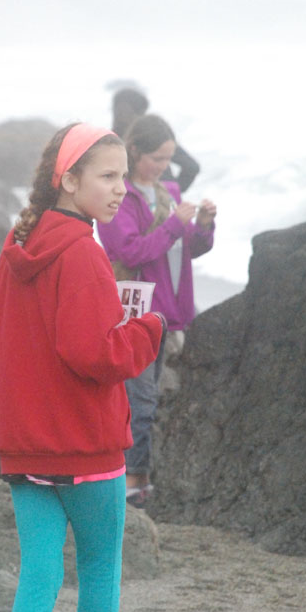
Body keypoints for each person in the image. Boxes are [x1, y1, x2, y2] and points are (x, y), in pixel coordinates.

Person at [0, 123, 165, 612]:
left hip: (24, 450)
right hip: (86, 447)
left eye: (123, 176)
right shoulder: (82, 252)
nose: (120, 188)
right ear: (69, 180)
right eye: (107, 176)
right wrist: (148, 328)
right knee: (101, 571)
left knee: (38, 579)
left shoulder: (18, 242)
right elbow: (94, 355)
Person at [98, 114, 216, 507]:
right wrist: (174, 226)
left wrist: (204, 226)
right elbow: (130, 251)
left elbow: (186, 251)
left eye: (169, 159)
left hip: (165, 309)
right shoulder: (120, 195)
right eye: (158, 158)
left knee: (143, 399)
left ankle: (135, 477)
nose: (165, 167)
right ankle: (131, 481)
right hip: (131, 311)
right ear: (134, 151)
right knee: (140, 399)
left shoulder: (169, 192)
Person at [111, 86, 200, 192]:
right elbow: (191, 166)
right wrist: (172, 192)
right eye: (158, 159)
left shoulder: (108, 142)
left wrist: (170, 192)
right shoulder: (157, 135)